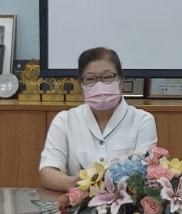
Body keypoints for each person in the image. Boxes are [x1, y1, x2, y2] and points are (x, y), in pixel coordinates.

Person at [38, 47, 158, 192]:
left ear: (121, 80)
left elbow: (145, 172)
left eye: (107, 77)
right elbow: (48, 172)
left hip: (127, 203)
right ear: (81, 84)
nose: (99, 85)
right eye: (90, 79)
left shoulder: (143, 121)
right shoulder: (64, 120)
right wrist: (77, 185)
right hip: (78, 202)